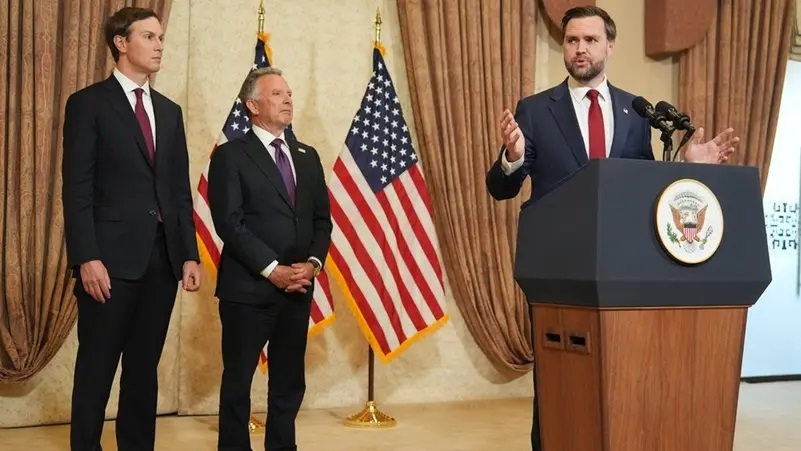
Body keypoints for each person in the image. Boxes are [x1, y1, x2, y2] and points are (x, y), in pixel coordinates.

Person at [484, 6, 739, 451]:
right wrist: (514, 156)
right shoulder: (536, 110)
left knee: (621, 379)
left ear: (610, 46)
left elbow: (644, 192)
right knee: (559, 381)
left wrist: (686, 167)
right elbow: (500, 188)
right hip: (557, 269)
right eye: (571, 40)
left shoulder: (636, 112)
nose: (580, 49)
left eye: (590, 40)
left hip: (621, 272)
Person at [61, 6, 201, 450]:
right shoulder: (88, 104)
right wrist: (87, 256)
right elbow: (77, 189)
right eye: (149, 37)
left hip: (161, 261)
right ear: (121, 43)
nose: (159, 45)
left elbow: (178, 190)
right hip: (108, 262)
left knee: (143, 372)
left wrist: (188, 254)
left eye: (161, 37)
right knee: (96, 370)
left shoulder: (169, 111)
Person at [206, 66, 332, 451]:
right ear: (252, 105)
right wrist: (272, 269)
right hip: (247, 289)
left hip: (297, 288)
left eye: (289, 93)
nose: (287, 99)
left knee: (289, 383)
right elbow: (229, 222)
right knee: (238, 383)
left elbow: (322, 221)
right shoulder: (231, 155)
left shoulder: (307, 156)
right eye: (277, 94)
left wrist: (312, 264)